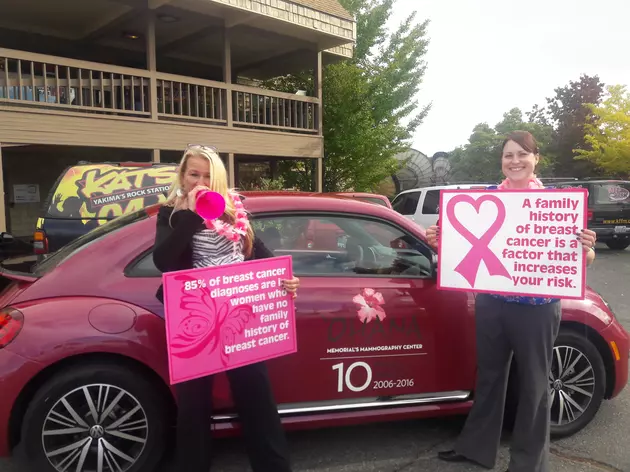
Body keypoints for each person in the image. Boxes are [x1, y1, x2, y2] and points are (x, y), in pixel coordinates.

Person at [428, 131, 596, 472]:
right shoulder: (487, 198)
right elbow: (462, 252)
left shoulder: (558, 205)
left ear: (536, 158)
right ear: (501, 161)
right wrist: (438, 241)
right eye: (508, 155)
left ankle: (528, 464)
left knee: (535, 386)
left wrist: (587, 248)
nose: (515, 161)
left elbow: (581, 260)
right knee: (489, 377)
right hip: (493, 303)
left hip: (537, 308)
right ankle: (476, 448)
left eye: (522, 154)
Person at [153, 144, 298, 472]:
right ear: (183, 175)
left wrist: (286, 279)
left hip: (240, 315)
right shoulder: (171, 212)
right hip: (194, 316)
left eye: (207, 175)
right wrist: (192, 214)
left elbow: (260, 253)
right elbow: (164, 261)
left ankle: (273, 466)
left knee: (256, 393)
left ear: (218, 178)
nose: (200, 180)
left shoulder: (236, 211)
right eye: (193, 174)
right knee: (193, 403)